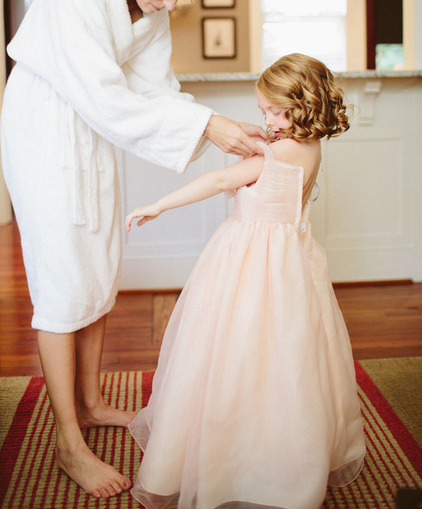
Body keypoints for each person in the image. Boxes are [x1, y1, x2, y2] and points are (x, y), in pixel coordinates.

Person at [0, 0, 266, 500]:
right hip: (45, 132)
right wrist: (210, 124)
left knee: (98, 261)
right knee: (62, 277)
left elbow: (155, 93)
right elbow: (104, 95)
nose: (173, 6)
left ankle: (91, 404)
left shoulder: (145, 6)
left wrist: (226, 130)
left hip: (91, 131)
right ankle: (69, 442)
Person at [125, 53, 366, 509]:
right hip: (289, 260)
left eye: (276, 112)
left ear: (305, 104)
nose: (268, 120)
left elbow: (218, 180)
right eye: (263, 112)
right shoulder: (308, 147)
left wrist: (158, 205)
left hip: (252, 261)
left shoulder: (278, 153)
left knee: (236, 350)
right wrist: (261, 142)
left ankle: (240, 459)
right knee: (287, 355)